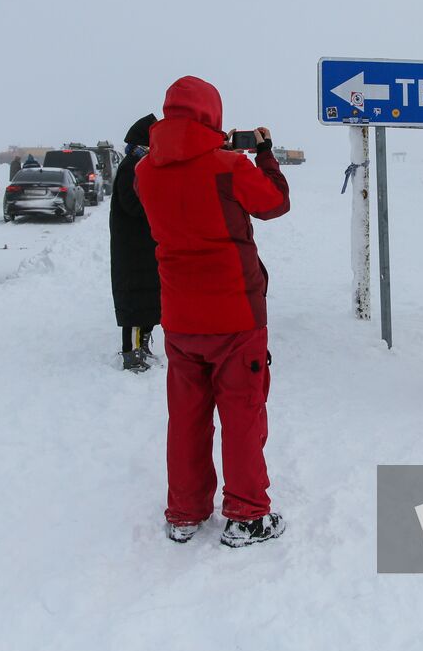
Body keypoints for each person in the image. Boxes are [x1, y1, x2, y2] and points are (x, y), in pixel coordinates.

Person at [135, 76, 290, 548]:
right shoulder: (228, 165)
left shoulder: (145, 171)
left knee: (186, 417)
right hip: (235, 316)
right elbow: (275, 203)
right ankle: (246, 515)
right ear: (213, 117)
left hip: (180, 317)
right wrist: (263, 153)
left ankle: (184, 511)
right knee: (242, 413)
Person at [110, 114, 160, 373]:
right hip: (132, 246)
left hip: (144, 244)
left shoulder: (142, 163)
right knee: (134, 302)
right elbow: (132, 204)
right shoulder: (133, 165)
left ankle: (143, 345)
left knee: (148, 298)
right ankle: (131, 354)